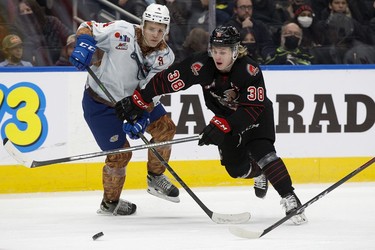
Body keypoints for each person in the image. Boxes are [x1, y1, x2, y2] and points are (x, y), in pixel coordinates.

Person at [115, 26, 308, 224]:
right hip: (225, 118)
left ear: (235, 51)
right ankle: (259, 173)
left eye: (223, 51)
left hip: (256, 117)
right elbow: (169, 80)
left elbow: (252, 108)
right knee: (236, 170)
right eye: (214, 50)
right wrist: (140, 99)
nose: (217, 56)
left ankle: (291, 199)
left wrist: (224, 125)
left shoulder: (249, 70)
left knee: (264, 153)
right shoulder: (201, 65)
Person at [69, 3, 179, 216]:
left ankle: (155, 177)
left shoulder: (165, 56)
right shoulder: (120, 31)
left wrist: (142, 116)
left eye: (160, 30)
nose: (155, 34)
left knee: (165, 128)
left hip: (134, 101)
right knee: (121, 154)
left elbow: (151, 92)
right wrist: (84, 43)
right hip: (100, 104)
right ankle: (110, 203)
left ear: (166, 30)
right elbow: (88, 26)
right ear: (143, 25)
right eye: (151, 28)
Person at [9, 0, 73, 66]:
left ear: (35, 10)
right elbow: (13, 47)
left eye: (28, 10)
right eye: (22, 12)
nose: (25, 13)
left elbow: (70, 36)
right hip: (27, 67)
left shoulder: (52, 22)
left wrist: (71, 40)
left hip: (56, 65)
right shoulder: (16, 27)